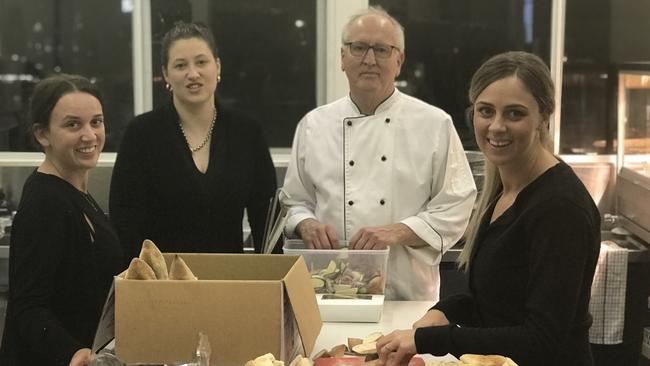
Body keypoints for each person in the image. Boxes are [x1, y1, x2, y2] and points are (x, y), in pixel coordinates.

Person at [375, 51, 601, 366]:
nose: (496, 126)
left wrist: (428, 340)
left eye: (514, 114)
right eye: (486, 111)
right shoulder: (504, 189)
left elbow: (541, 339)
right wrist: (445, 311)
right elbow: (499, 302)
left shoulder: (559, 208)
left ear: (544, 117)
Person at [281, 7, 477, 301]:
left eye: (382, 50)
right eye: (359, 48)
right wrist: (305, 223)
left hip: (408, 293)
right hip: (331, 292)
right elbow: (295, 201)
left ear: (399, 61)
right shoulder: (314, 125)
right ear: (342, 57)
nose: (369, 59)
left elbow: (456, 205)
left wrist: (398, 232)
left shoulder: (434, 124)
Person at [109, 22, 277, 261]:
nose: (193, 74)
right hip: (160, 287)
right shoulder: (141, 134)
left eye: (201, 62)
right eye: (180, 65)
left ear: (217, 66)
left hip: (230, 282)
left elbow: (266, 221)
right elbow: (124, 220)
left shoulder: (247, 133)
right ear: (166, 74)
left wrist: (269, 283)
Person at [0, 74, 123, 366]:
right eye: (73, 124)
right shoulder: (46, 202)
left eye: (96, 122)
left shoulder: (75, 191)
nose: (90, 135)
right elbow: (28, 307)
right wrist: (72, 352)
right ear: (43, 134)